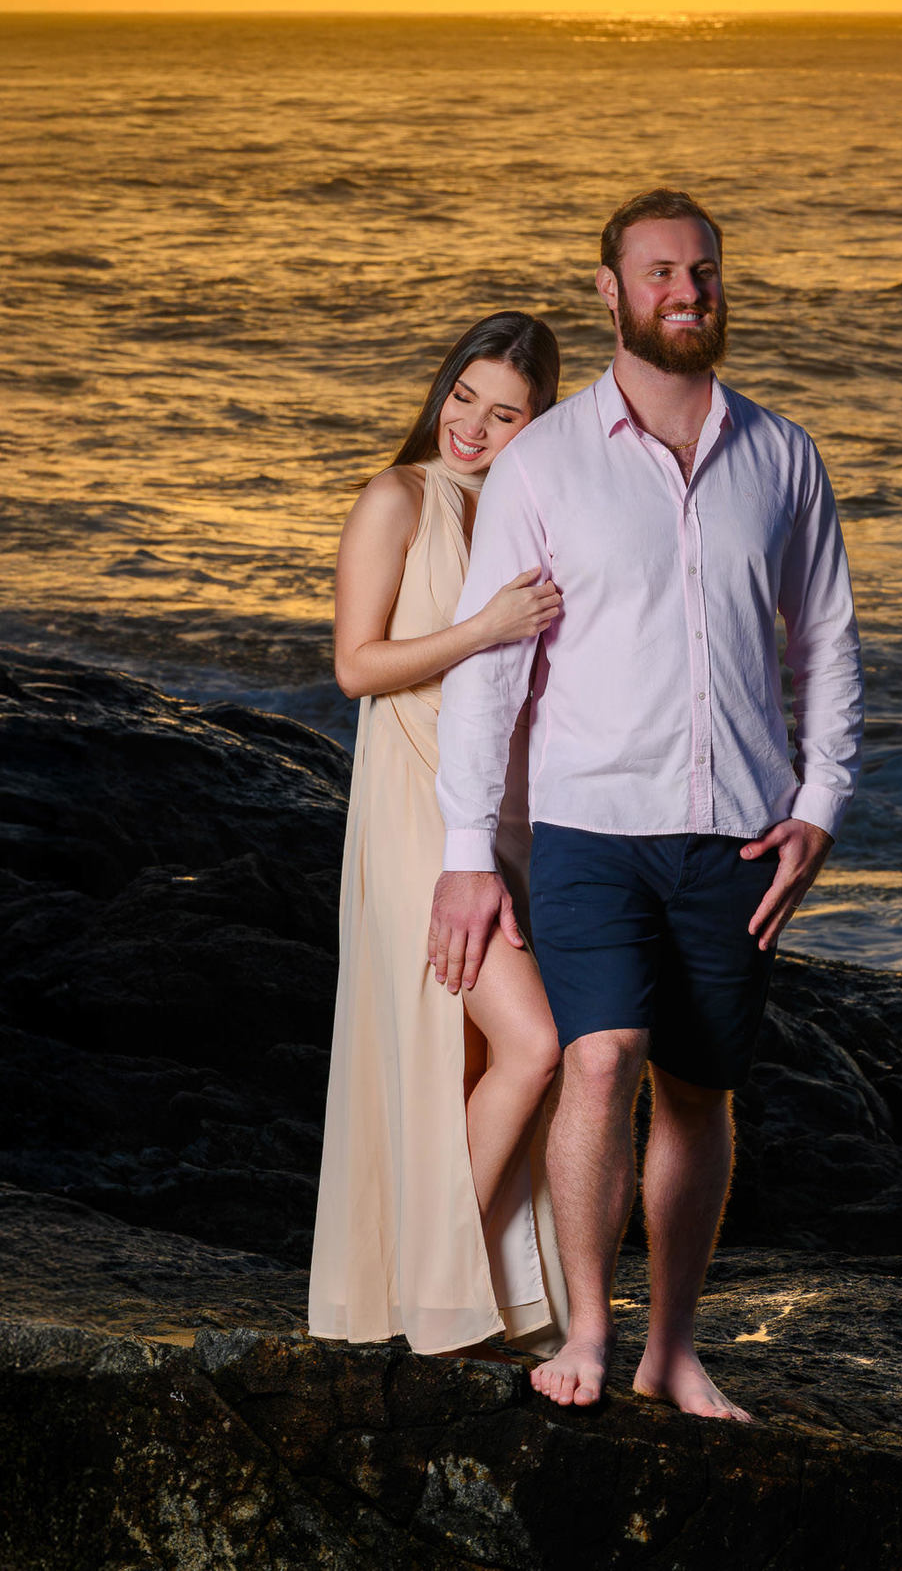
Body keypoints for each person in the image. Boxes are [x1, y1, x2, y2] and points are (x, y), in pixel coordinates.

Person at [429, 191, 864, 1421]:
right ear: (612, 293)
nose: (688, 289)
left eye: (705, 270)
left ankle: (674, 1347)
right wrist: (470, 850)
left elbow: (824, 642)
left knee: (698, 1085)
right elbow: (491, 667)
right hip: (584, 825)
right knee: (599, 1053)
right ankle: (586, 1330)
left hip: (737, 828)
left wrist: (822, 800)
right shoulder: (544, 460)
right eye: (661, 271)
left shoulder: (783, 456)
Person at [308, 310, 569, 1358]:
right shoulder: (398, 496)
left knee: (468, 1059)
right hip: (415, 813)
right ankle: (435, 1281)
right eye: (464, 395)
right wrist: (484, 629)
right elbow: (357, 665)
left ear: (538, 424)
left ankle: (467, 1292)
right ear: (442, 388)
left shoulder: (529, 514)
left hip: (497, 815)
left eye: (504, 412)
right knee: (533, 1042)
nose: (471, 424)